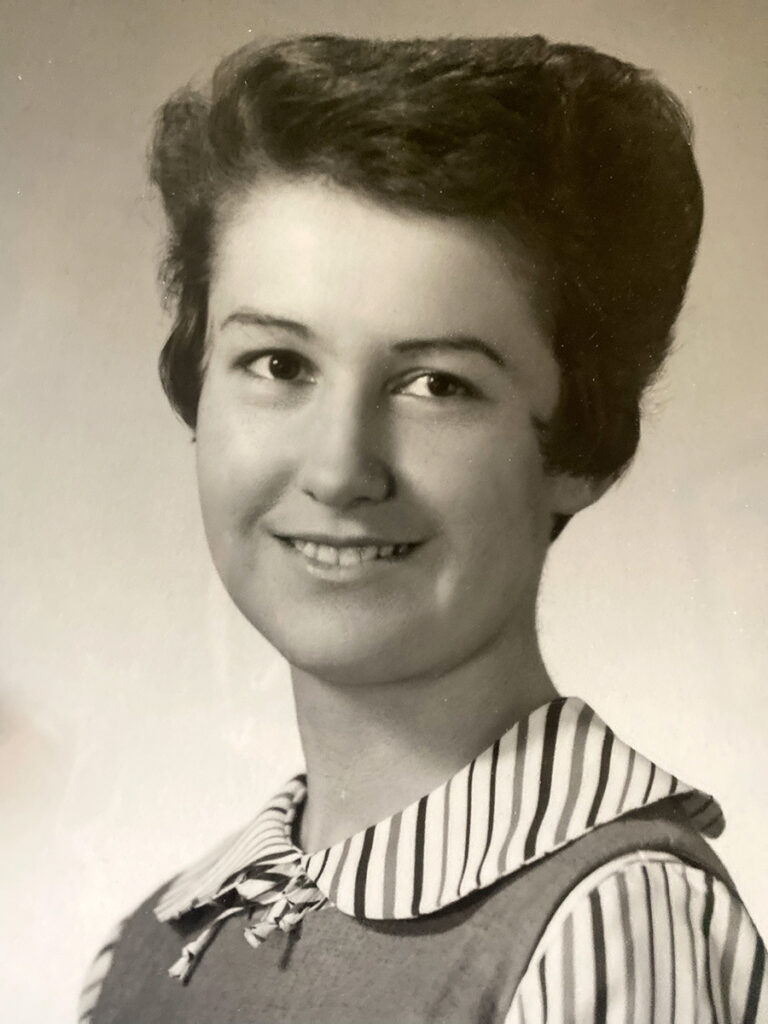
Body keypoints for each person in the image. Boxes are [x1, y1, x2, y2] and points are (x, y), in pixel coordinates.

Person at [79, 33, 767, 1023]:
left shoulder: (607, 922)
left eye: (437, 384)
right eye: (278, 364)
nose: (338, 469)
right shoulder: (150, 952)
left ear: (579, 448)